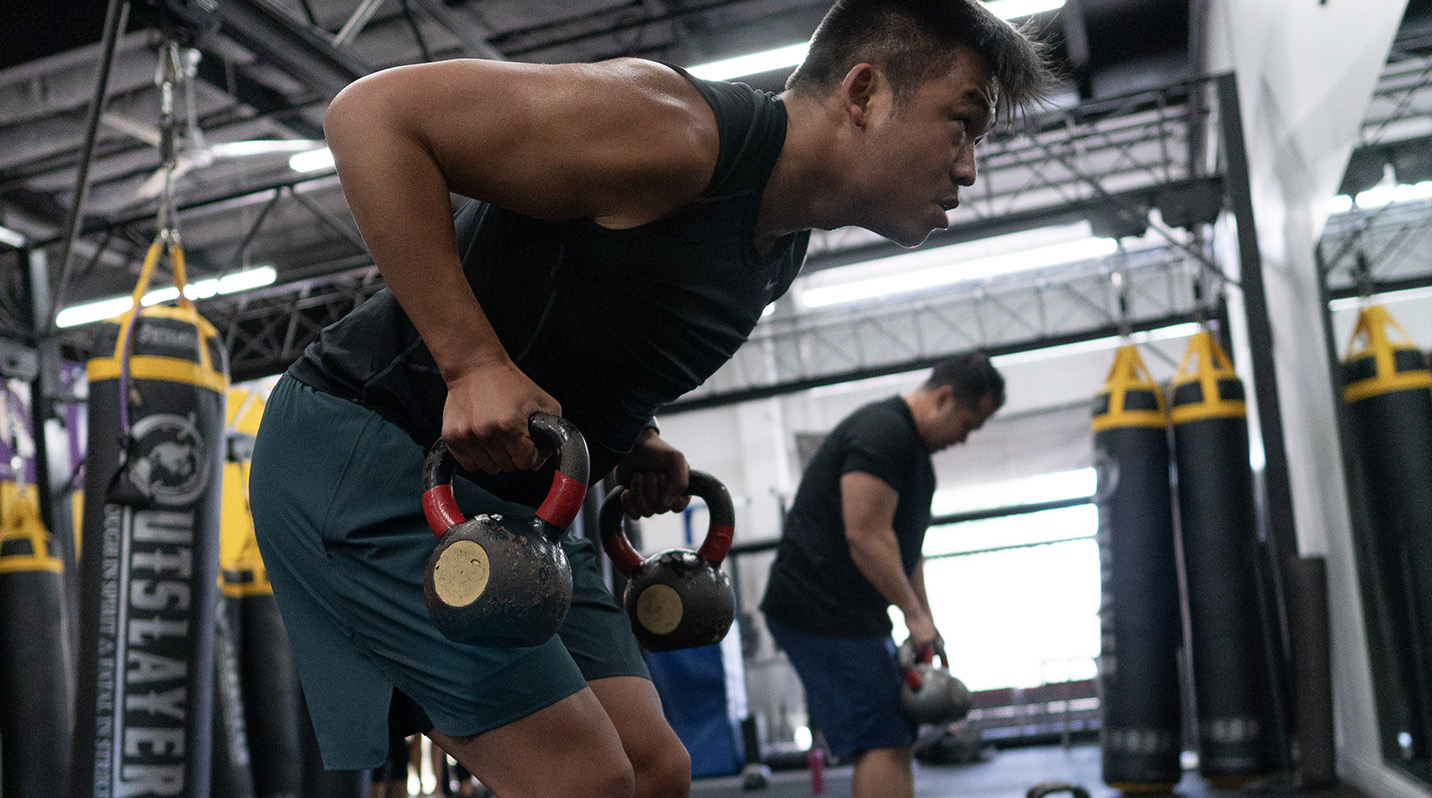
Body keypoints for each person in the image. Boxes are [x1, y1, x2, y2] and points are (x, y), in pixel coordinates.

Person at [247, 0, 1051, 795]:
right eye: (963, 123)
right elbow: (372, 115)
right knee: (583, 780)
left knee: (653, 769)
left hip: (513, 508)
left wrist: (635, 436)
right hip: (370, 451)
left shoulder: (779, 245)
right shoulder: (680, 131)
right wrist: (470, 364)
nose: (969, 166)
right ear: (865, 92)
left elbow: (580, 308)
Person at [760, 353, 1005, 798]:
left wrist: (925, 621)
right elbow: (866, 534)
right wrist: (912, 614)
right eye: (968, 423)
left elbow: (907, 552)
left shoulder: (916, 460)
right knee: (883, 737)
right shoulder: (884, 432)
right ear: (944, 398)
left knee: (896, 736)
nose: (965, 439)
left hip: (851, 610)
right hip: (817, 606)